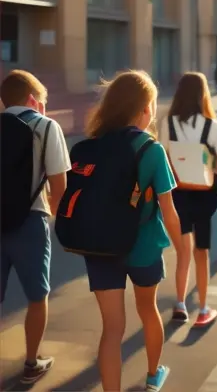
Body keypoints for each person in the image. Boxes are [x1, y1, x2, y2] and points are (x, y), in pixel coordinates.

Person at [82, 70, 183, 392]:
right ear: (144, 108)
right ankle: (154, 376)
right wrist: (182, 250)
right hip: (143, 247)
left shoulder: (92, 145)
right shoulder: (150, 150)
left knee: (111, 329)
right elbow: (168, 211)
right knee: (148, 311)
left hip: (98, 247)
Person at [0, 70, 71, 384]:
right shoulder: (45, 126)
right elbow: (60, 187)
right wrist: (54, 220)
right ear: (33, 99)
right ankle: (31, 362)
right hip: (30, 221)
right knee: (37, 295)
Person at [160, 72, 217, 327]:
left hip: (178, 193)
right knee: (202, 252)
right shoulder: (211, 126)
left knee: (182, 252)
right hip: (204, 195)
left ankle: (180, 304)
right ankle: (202, 307)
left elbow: (164, 157)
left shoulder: (168, 123)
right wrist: (208, 161)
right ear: (203, 95)